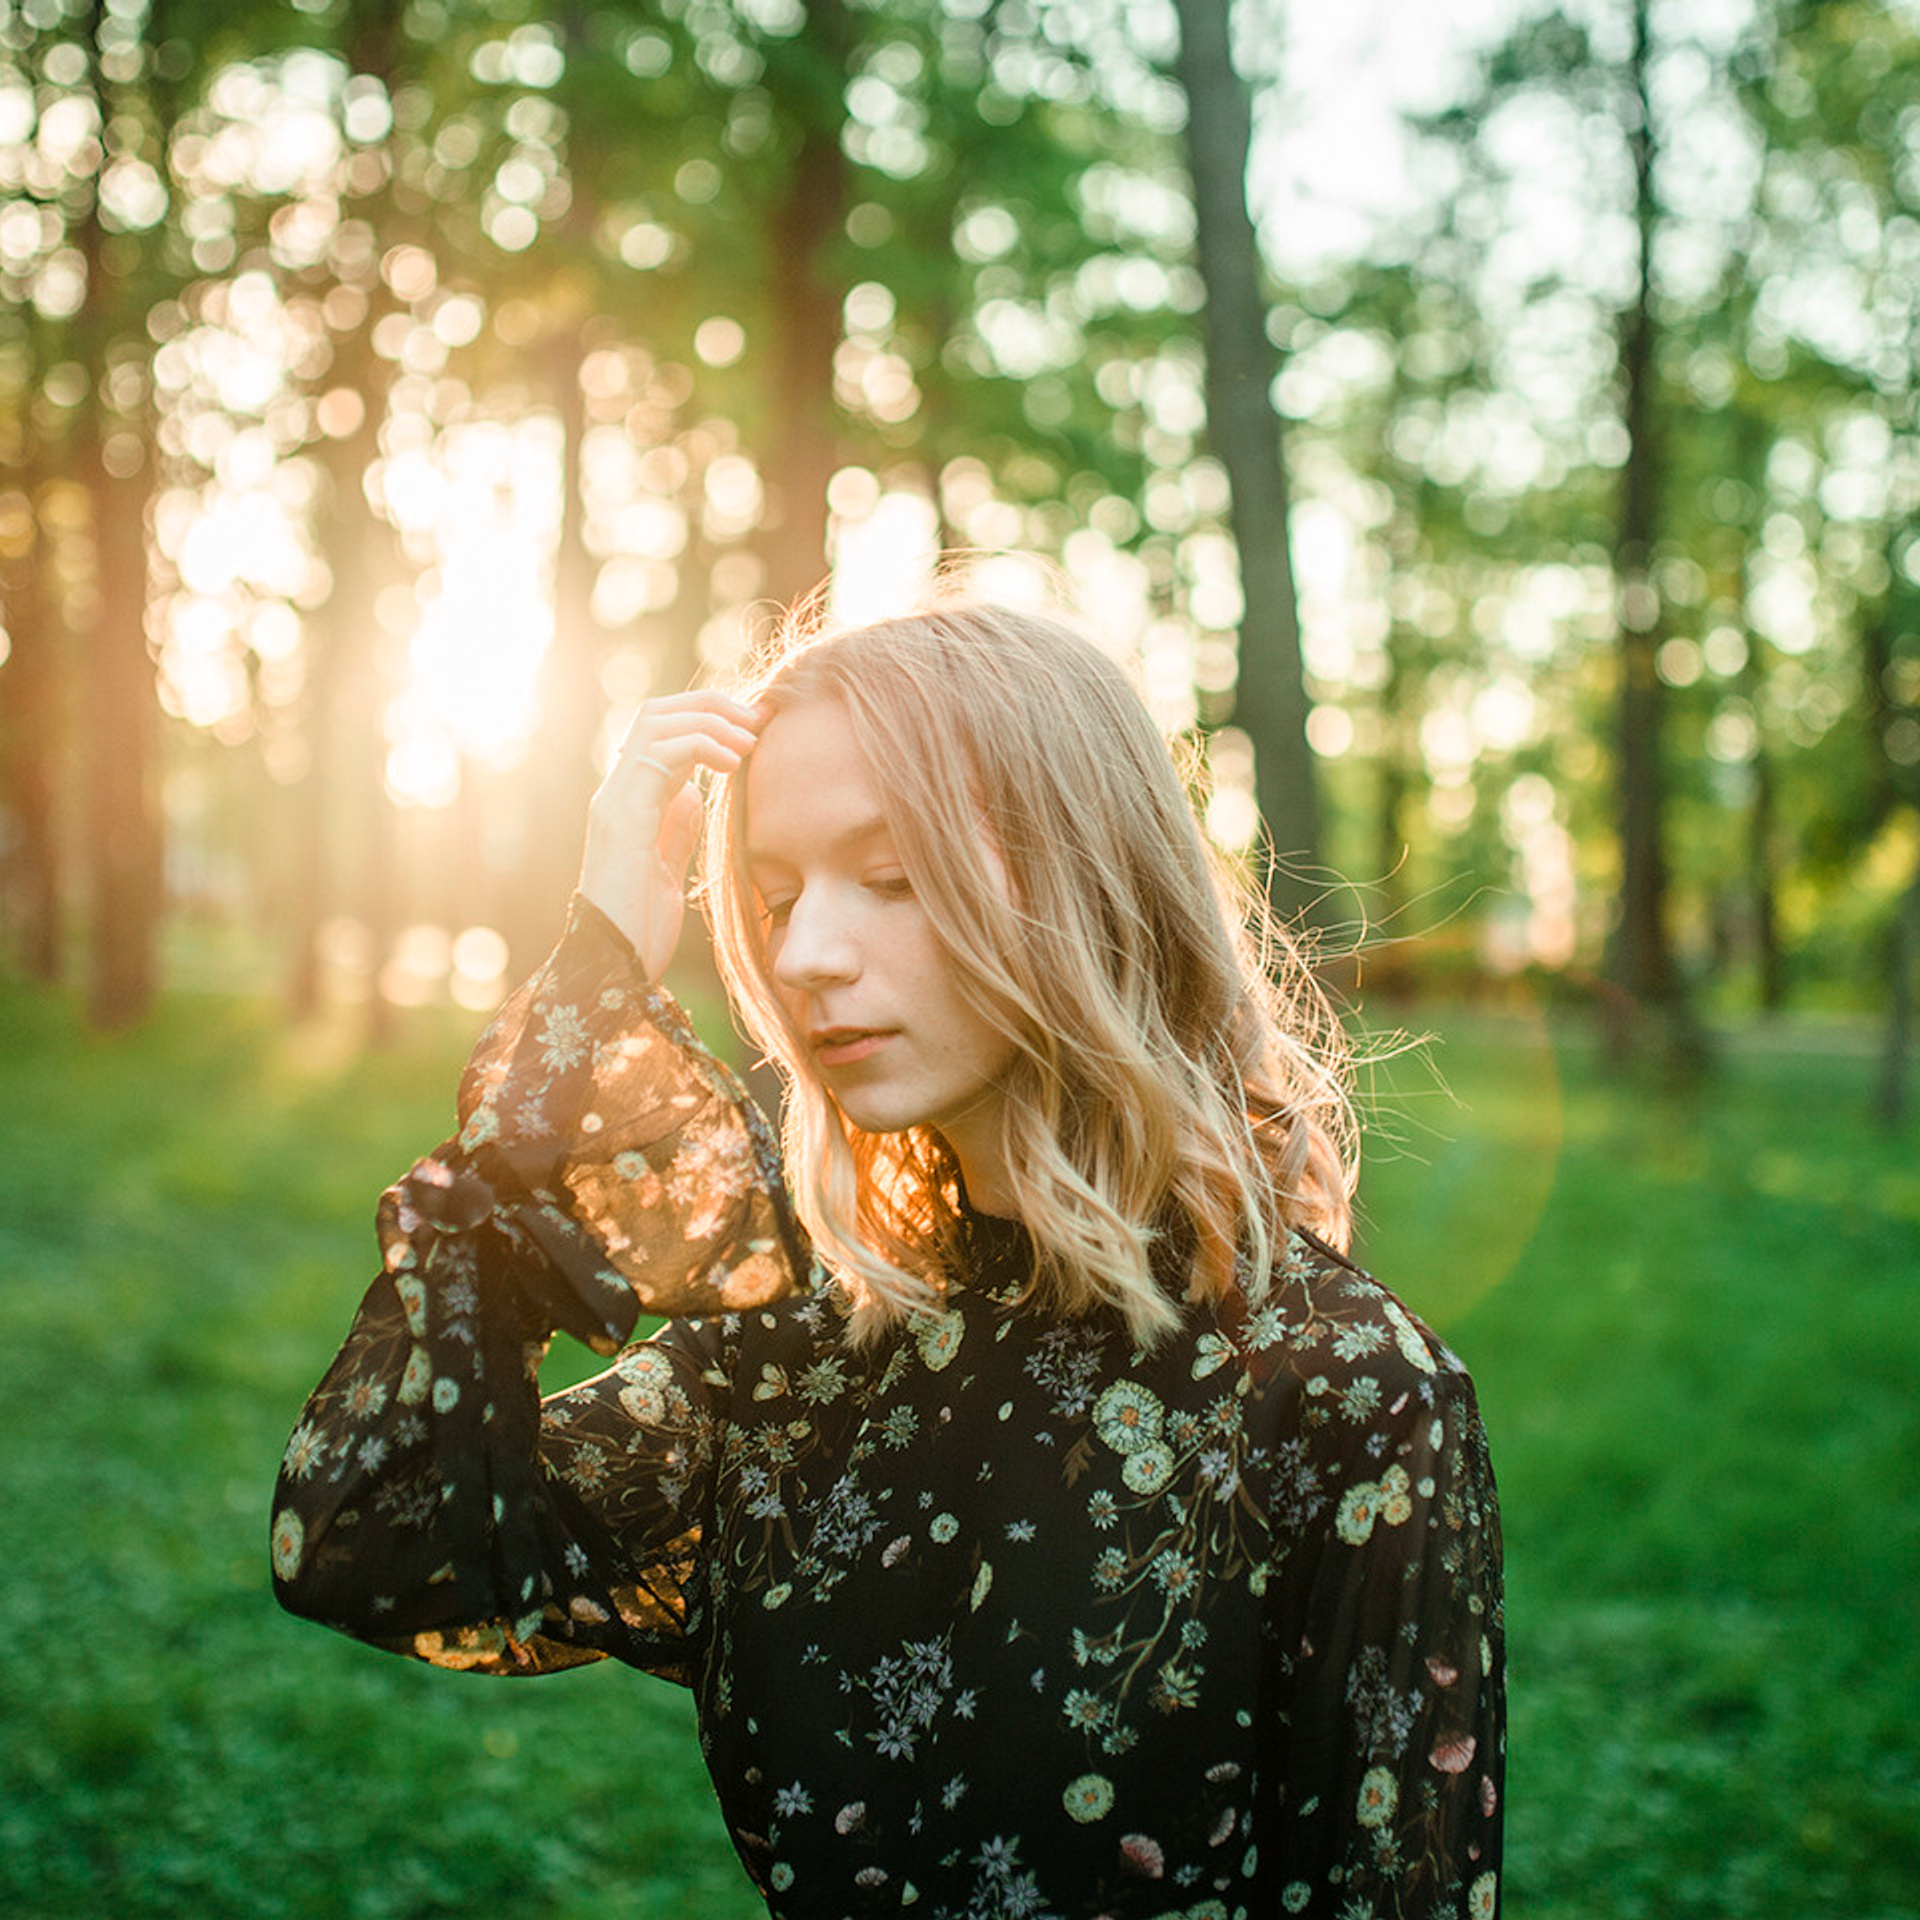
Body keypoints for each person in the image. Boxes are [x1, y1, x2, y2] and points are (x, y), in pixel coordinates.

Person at [272, 599, 1505, 1919]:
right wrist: (597, 975)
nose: (807, 956)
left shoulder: (1345, 1393)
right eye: (776, 893)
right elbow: (368, 1536)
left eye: (895, 875)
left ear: (1088, 877)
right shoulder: (796, 1359)